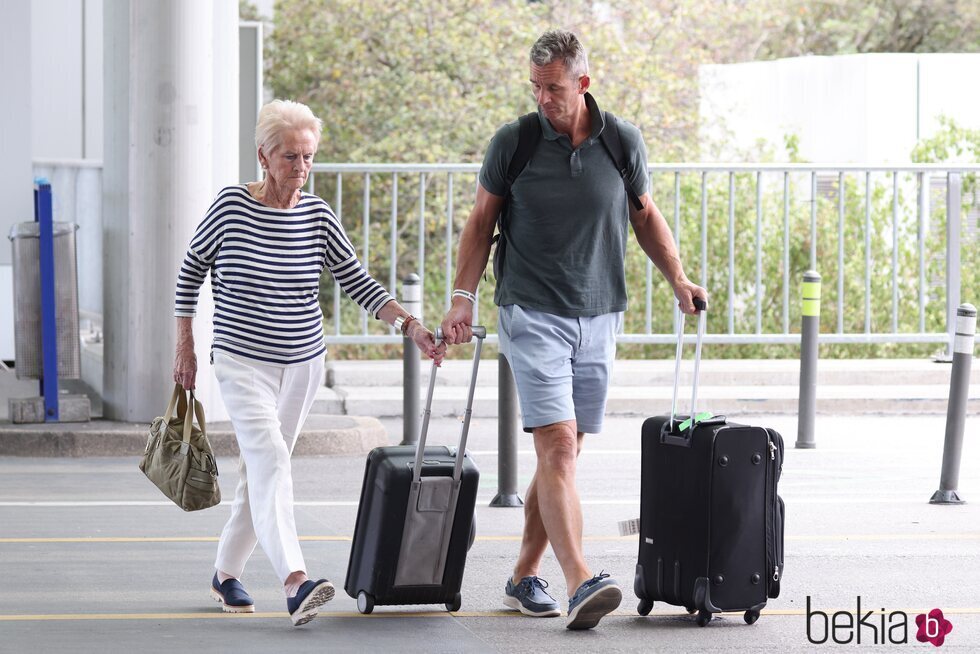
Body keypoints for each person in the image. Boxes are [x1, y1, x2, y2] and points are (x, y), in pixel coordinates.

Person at [440, 30, 708, 630]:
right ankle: (580, 578)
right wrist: (463, 299)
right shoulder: (516, 141)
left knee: (564, 453)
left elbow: (645, 215)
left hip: (600, 313)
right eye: (535, 86)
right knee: (557, 446)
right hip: (531, 311)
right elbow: (481, 221)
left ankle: (522, 575)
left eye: (553, 87)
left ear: (582, 83)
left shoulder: (621, 141)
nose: (543, 98)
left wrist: (679, 280)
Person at [173, 99, 444, 627]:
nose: (300, 169)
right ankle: (296, 582)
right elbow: (189, 273)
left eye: (309, 158)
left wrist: (409, 325)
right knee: (271, 458)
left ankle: (225, 572)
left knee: (263, 471)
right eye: (290, 157)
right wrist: (183, 346)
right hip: (240, 361)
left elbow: (358, 282)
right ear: (264, 157)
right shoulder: (231, 206)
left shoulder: (318, 214)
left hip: (301, 364)